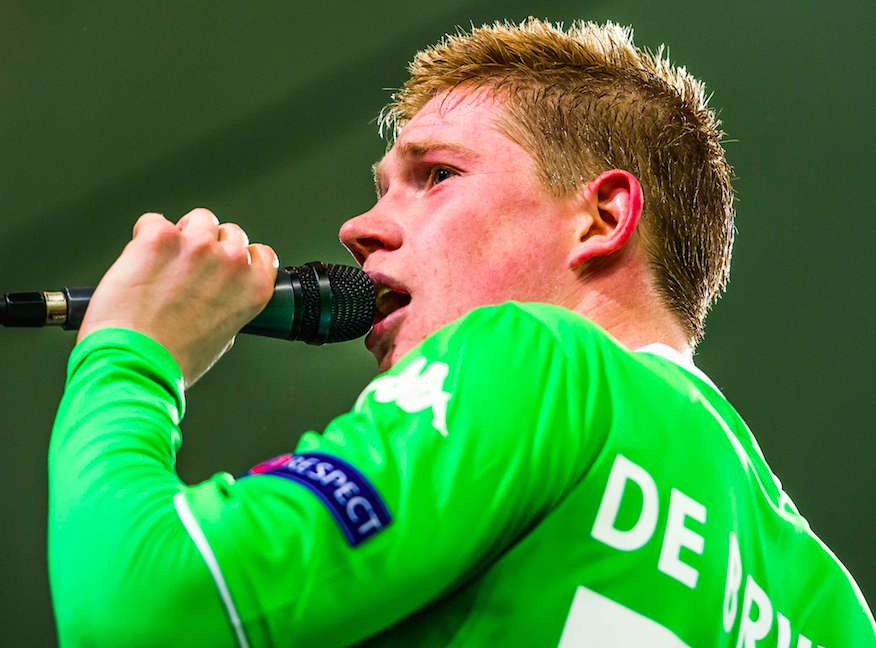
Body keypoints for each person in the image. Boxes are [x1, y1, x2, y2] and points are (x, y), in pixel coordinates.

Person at [48, 19, 873, 647]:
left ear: (603, 216)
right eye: (383, 188)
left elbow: (139, 608)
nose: (358, 229)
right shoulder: (832, 609)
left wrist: (130, 349)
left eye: (436, 174)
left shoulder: (543, 359)